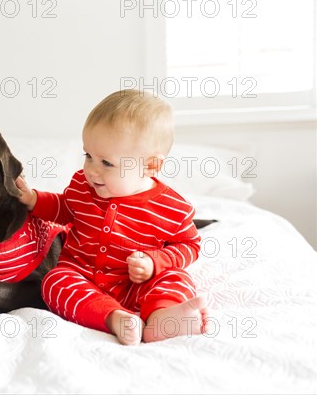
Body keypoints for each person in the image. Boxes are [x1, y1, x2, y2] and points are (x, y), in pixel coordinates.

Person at [15, 89, 209, 345]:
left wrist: (155, 262)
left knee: (177, 278)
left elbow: (190, 246)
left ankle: (162, 318)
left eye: (107, 163)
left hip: (138, 283)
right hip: (84, 276)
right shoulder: (83, 186)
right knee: (54, 281)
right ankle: (115, 318)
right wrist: (34, 200)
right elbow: (64, 208)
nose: (92, 170)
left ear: (150, 166)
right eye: (88, 156)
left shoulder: (172, 207)